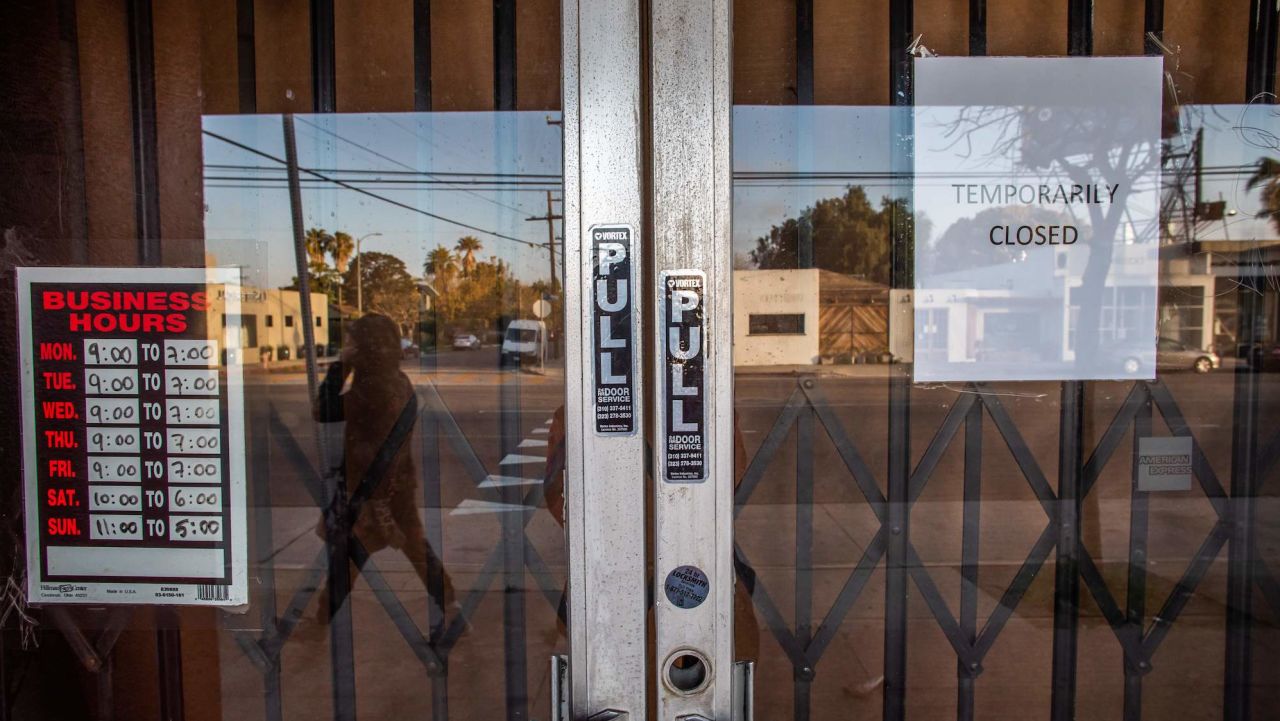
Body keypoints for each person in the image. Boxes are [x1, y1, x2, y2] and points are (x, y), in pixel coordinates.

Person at [312, 313, 455, 631]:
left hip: (374, 492)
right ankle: (451, 606)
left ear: (366, 347)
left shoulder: (371, 389)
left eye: (353, 342)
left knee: (353, 557)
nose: (348, 346)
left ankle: (320, 621)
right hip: (392, 487)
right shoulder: (396, 381)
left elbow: (321, 410)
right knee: (406, 551)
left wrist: (341, 366)